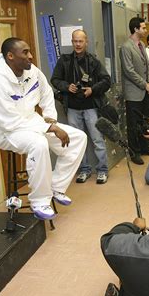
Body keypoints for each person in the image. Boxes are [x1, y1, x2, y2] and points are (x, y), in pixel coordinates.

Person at [0, 37, 87, 220]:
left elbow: (46, 93)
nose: (30, 56)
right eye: (25, 53)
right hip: (4, 130)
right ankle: (39, 200)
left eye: (30, 51)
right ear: (10, 56)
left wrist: (50, 118)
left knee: (78, 137)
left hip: (32, 122)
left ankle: (56, 187)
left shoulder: (32, 71)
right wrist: (50, 128)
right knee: (38, 144)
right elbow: (9, 122)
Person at [51, 29, 111, 184]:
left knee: (97, 139)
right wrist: (66, 86)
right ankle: (84, 170)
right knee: (77, 140)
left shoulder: (93, 61)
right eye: (75, 41)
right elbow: (55, 79)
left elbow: (106, 80)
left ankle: (102, 170)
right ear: (72, 42)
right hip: (72, 108)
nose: (78, 44)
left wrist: (93, 89)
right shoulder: (64, 61)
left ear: (86, 42)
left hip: (91, 106)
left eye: (80, 41)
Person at [120, 17, 149, 165]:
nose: (146, 30)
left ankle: (144, 146)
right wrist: (144, 85)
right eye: (143, 27)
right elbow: (129, 71)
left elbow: (147, 66)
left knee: (143, 121)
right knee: (133, 124)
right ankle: (134, 152)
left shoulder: (141, 45)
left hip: (145, 90)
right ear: (135, 29)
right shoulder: (126, 47)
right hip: (134, 92)